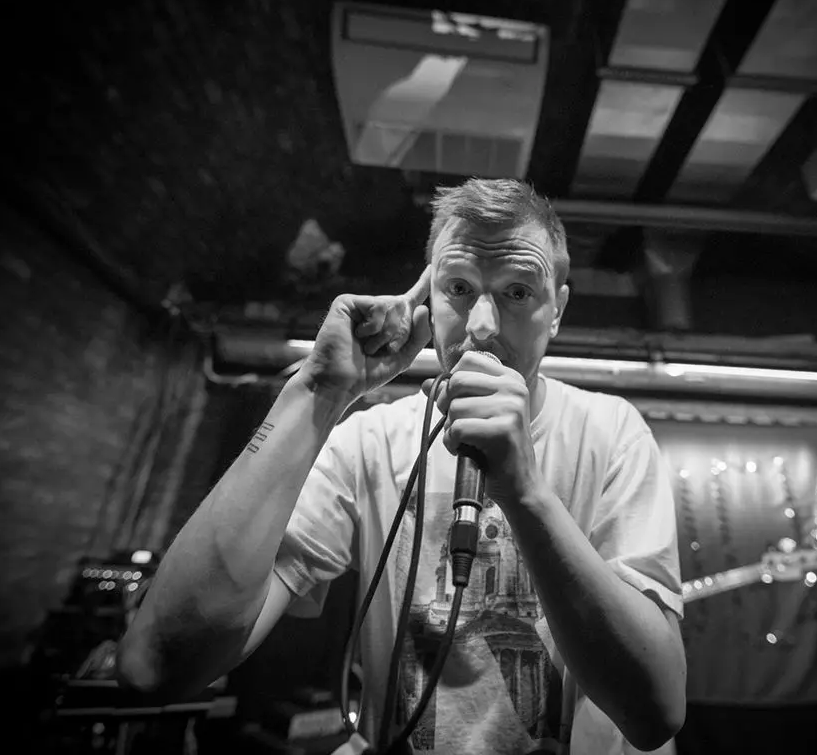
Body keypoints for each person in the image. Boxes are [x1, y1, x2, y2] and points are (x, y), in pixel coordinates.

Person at [118, 178, 687, 754]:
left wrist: (526, 492)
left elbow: (655, 712)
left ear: (556, 310)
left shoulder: (611, 431)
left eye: (518, 292)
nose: (482, 325)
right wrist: (317, 392)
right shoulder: (370, 441)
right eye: (459, 288)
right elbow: (155, 665)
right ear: (428, 297)